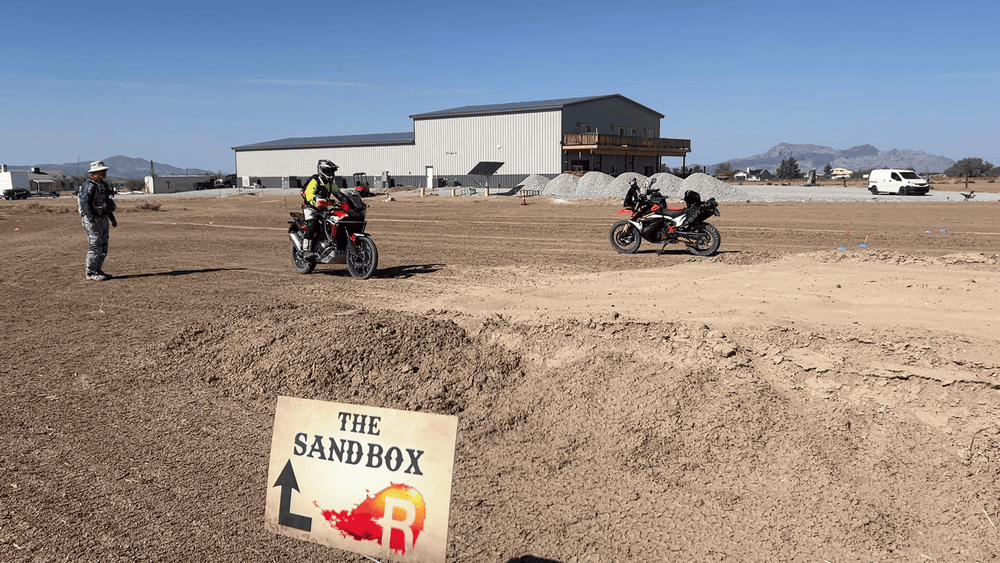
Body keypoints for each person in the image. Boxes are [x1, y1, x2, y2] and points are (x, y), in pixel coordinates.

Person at [78, 160, 117, 280]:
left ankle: (98, 269)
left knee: (104, 245)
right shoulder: (89, 185)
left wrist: (112, 218)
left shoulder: (103, 185)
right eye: (102, 171)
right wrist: (90, 220)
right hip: (93, 219)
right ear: (95, 173)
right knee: (95, 245)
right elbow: (85, 203)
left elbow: (107, 203)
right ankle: (90, 272)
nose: (104, 173)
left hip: (103, 217)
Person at [300, 159, 343, 259]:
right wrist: (314, 199)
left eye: (331, 171)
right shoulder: (315, 181)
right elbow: (309, 194)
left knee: (334, 222)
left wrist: (348, 200)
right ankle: (306, 250)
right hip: (311, 209)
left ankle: (331, 245)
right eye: (328, 171)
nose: (330, 173)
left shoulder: (331, 184)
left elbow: (339, 194)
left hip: (324, 210)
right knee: (312, 224)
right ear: (321, 170)